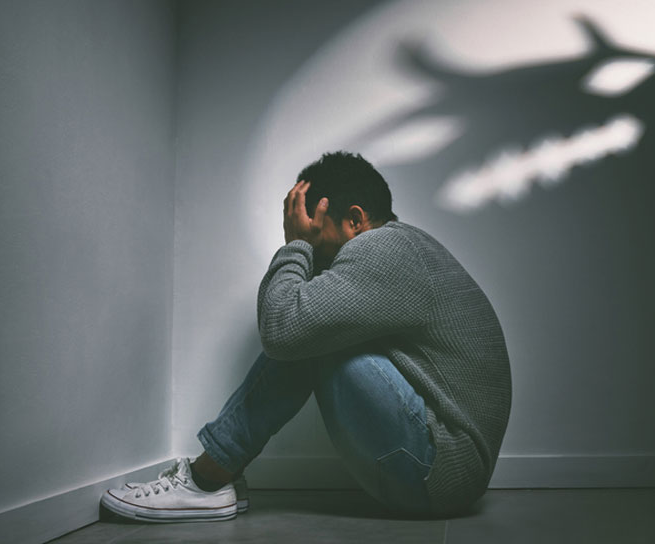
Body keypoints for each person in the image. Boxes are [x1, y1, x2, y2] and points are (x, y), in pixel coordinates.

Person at [100, 151, 512, 522]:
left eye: (320, 235)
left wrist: (295, 244)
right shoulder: (405, 250)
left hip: (438, 474)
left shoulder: (385, 248)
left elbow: (283, 330)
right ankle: (215, 477)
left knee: (308, 334)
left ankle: (207, 480)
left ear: (355, 220)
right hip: (439, 472)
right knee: (313, 327)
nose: (317, 253)